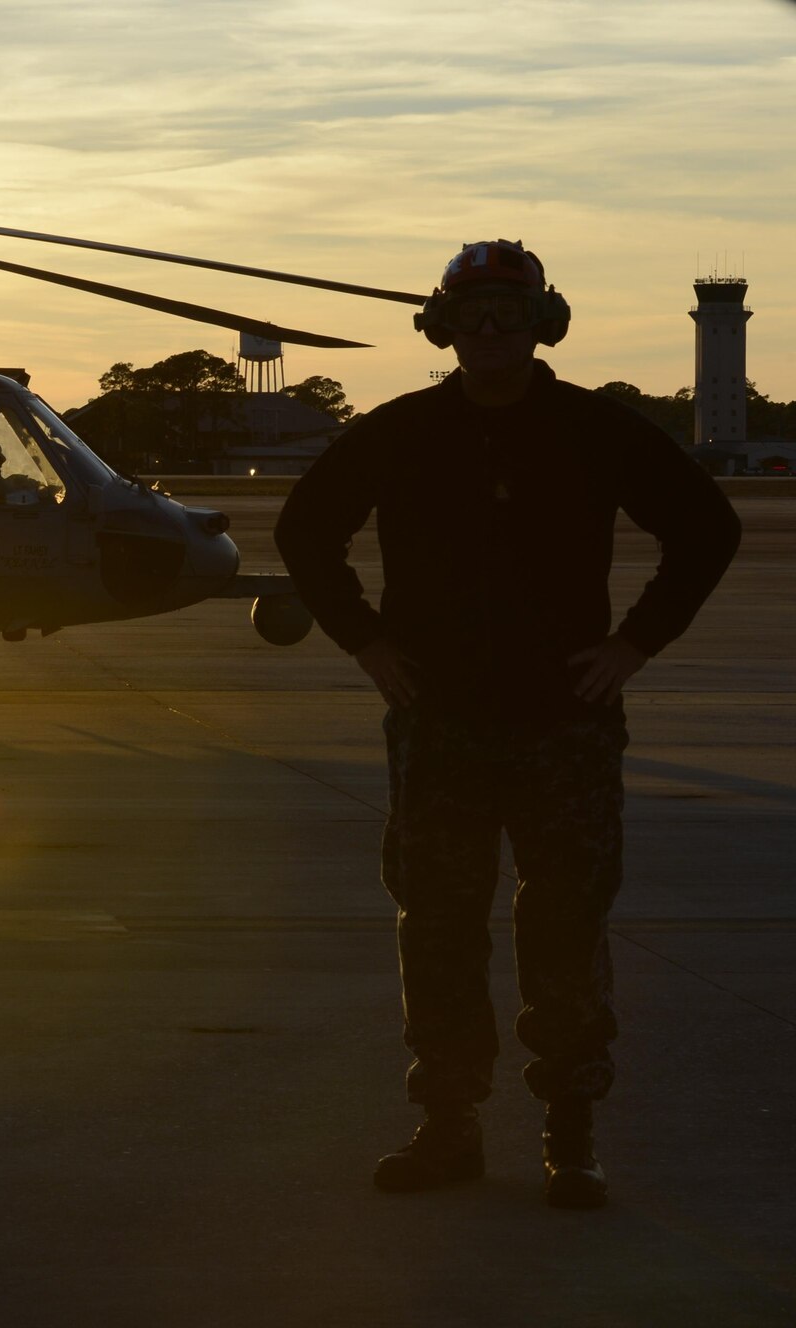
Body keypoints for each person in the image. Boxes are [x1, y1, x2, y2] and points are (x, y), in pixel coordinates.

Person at [274, 240, 740, 1209]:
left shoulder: (594, 430)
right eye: (472, 313)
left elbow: (705, 528)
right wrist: (364, 641)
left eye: (508, 312)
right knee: (438, 925)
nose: (490, 329)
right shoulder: (398, 432)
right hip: (437, 720)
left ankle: (567, 1131)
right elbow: (303, 528)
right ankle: (446, 1124)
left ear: (541, 324)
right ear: (443, 327)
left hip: (561, 723)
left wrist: (632, 644)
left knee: (563, 923)